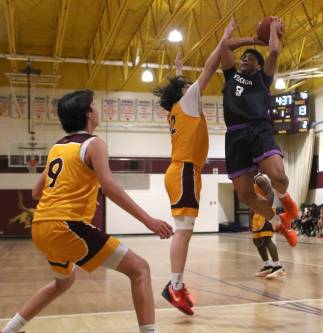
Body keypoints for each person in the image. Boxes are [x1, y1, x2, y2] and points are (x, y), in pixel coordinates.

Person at [1, 90, 173, 333]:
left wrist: (81, 193)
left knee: (63, 283)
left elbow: (36, 192)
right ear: (88, 114)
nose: (97, 108)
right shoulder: (94, 143)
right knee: (140, 269)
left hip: (41, 226)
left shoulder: (57, 148)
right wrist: (149, 220)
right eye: (94, 104)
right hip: (66, 226)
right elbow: (110, 187)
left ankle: (10, 329)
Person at [153, 19, 237, 316]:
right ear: (184, 92)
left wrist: (178, 70)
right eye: (186, 85)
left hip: (184, 171)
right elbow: (210, 68)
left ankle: (176, 284)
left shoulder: (179, 108)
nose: (193, 87)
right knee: (183, 232)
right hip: (185, 172)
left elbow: (184, 85)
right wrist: (223, 40)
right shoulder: (187, 101)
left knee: (184, 231)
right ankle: (174, 286)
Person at [220, 16, 298, 246]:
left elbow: (274, 51)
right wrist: (254, 39)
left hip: (259, 129)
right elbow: (225, 46)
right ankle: (278, 224)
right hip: (234, 135)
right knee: (244, 195)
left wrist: (272, 30)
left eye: (251, 57)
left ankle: (286, 200)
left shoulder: (263, 80)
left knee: (279, 176)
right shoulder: (231, 76)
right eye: (243, 56)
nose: (244, 58)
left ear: (259, 65)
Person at [252, 173, 286, 278]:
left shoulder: (260, 178)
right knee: (257, 240)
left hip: (266, 210)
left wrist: (266, 210)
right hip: (257, 212)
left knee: (267, 239)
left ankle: (278, 266)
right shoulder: (250, 179)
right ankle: (267, 266)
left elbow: (271, 194)